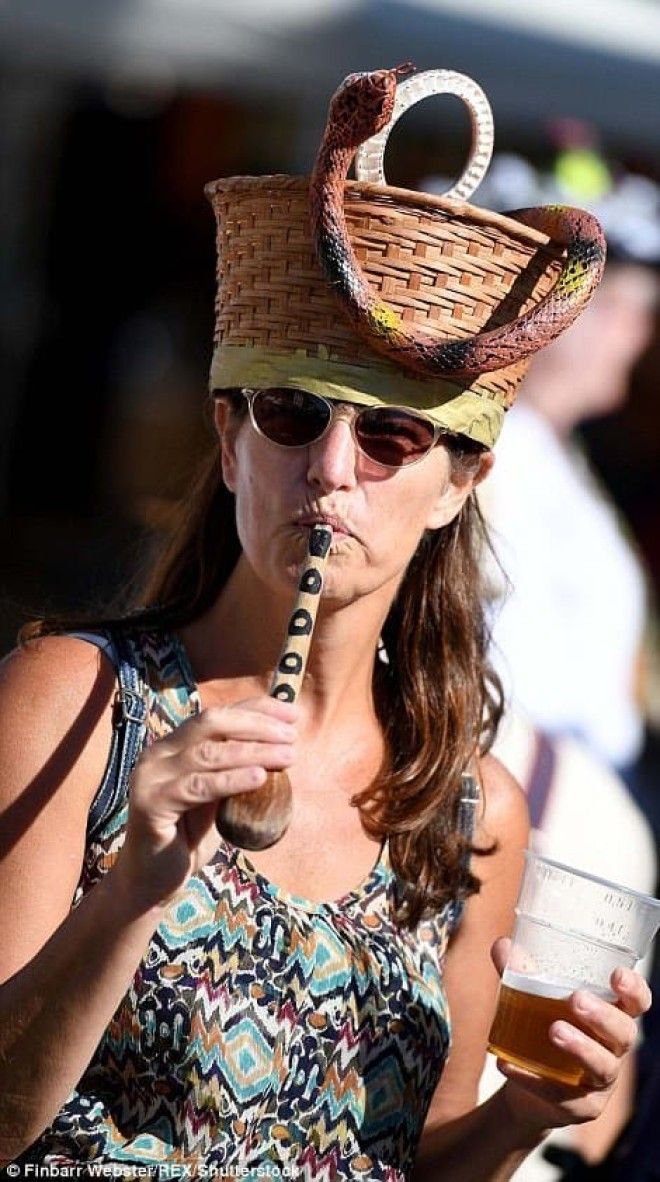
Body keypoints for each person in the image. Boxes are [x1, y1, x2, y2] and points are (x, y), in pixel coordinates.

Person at [0, 68, 651, 1180]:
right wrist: (128, 900)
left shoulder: (469, 812)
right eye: (293, 416)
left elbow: (422, 1163)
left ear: (459, 482)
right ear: (229, 437)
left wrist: (522, 1117)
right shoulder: (79, 706)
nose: (332, 473)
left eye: (393, 437)